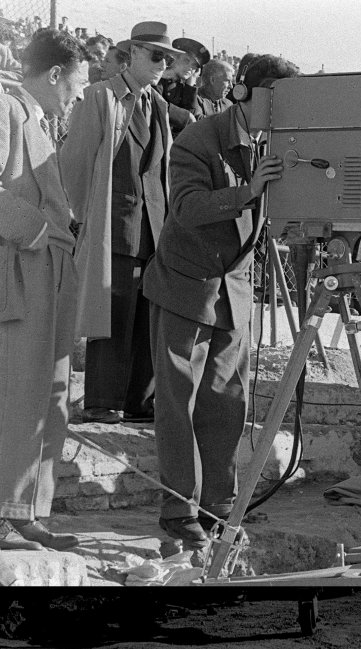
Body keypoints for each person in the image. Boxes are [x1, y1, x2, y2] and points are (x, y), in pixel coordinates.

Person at [141, 54, 298, 549]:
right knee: (178, 405)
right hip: (185, 287)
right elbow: (185, 208)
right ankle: (178, 510)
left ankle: (220, 507)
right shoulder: (198, 138)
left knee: (227, 405)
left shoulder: (279, 143)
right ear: (246, 94)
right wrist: (249, 191)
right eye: (277, 96)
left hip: (233, 290)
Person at [62, 21, 179, 425]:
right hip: (114, 228)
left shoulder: (159, 106)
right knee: (111, 315)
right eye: (156, 55)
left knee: (147, 318)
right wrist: (87, 216)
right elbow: (74, 163)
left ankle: (138, 402)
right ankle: (102, 401)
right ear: (132, 53)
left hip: (154, 231)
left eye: (167, 58)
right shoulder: (101, 98)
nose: (163, 64)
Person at [0, 28, 89, 551]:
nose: (77, 98)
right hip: (21, 271)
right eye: (75, 86)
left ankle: (26, 511)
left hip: (47, 270)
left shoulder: (34, 114)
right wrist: (35, 231)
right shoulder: (5, 105)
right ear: (55, 73)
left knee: (47, 396)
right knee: (16, 395)